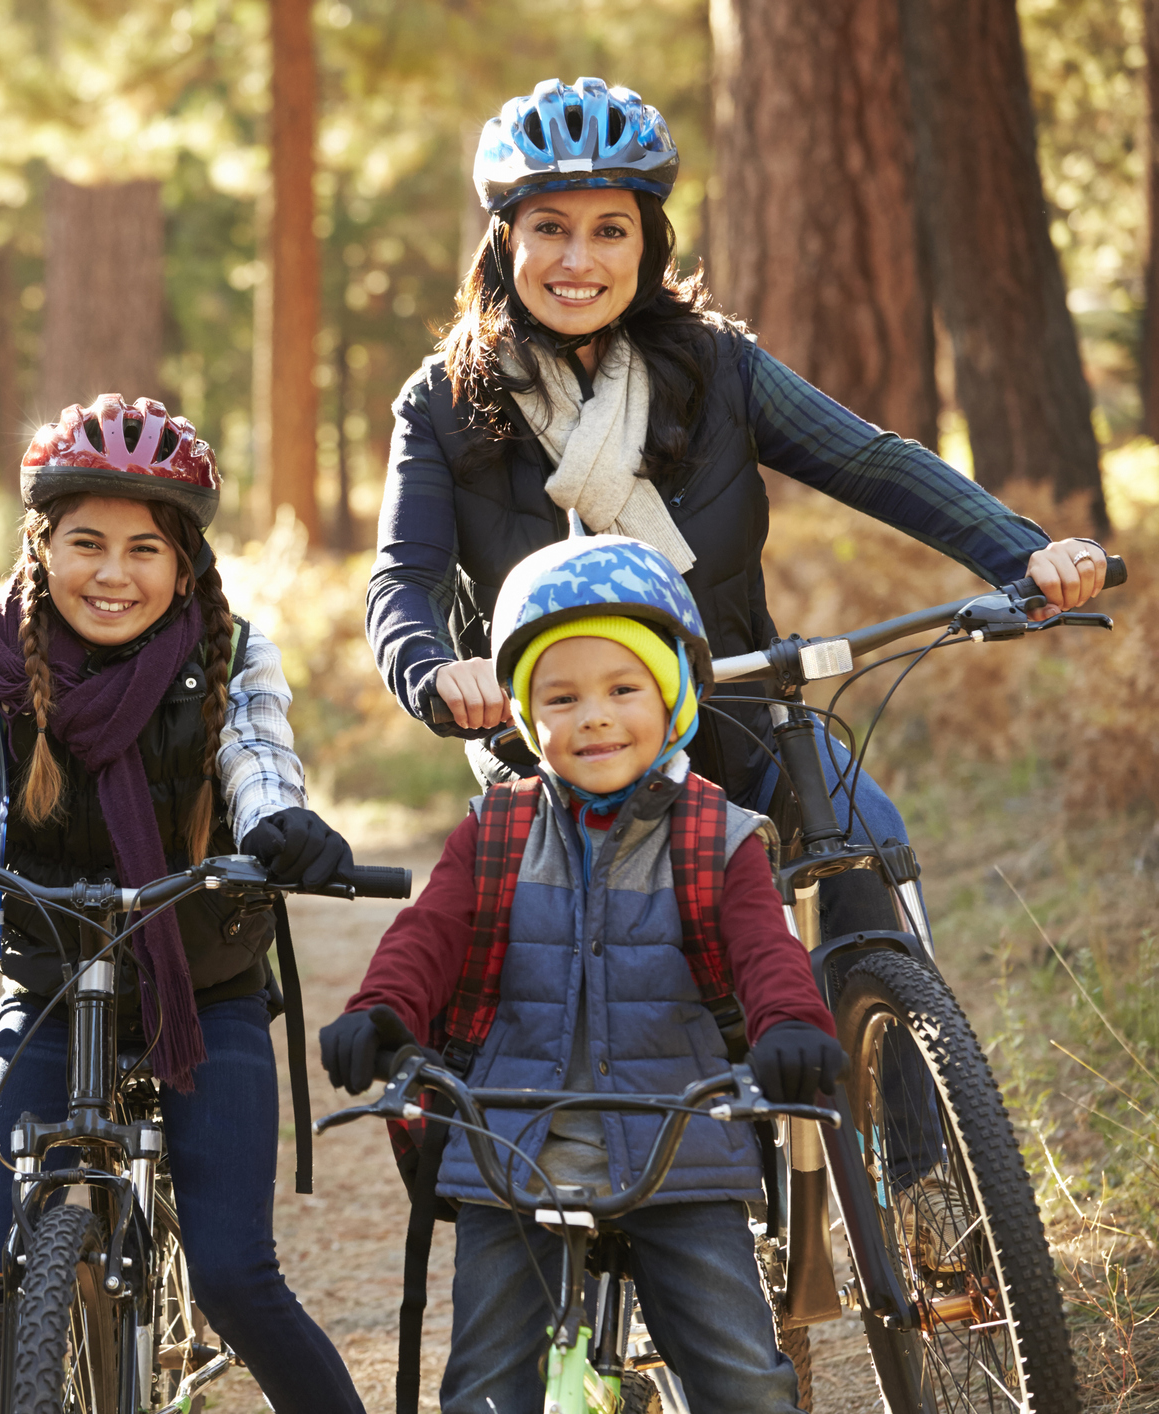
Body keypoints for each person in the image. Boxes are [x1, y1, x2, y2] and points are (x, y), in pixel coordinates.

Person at [367, 75, 1113, 935]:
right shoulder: (443, 401)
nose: (578, 262)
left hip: (741, 722)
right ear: (504, 243)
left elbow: (871, 463)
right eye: (549, 229)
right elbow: (404, 582)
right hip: (558, 751)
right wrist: (433, 670)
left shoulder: (716, 366)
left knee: (870, 859)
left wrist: (1022, 554)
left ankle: (894, 1050)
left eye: (609, 231)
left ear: (647, 244)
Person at [0, 395, 367, 1413]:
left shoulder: (233, 657)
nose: (113, 573)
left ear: (185, 563)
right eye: (86, 543)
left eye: (145, 548)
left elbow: (261, 764)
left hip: (211, 994)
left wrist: (282, 827)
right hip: (54, 991)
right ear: (40, 545)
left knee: (238, 1277)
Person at [325, 535, 847, 1412]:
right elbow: (430, 932)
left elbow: (765, 951)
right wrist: (381, 1010)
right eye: (559, 698)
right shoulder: (494, 830)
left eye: (622, 689)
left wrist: (792, 1027)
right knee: (486, 1386)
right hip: (511, 1149)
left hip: (679, 1146)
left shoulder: (715, 837)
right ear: (529, 721)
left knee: (743, 1381)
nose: (593, 717)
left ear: (673, 696)